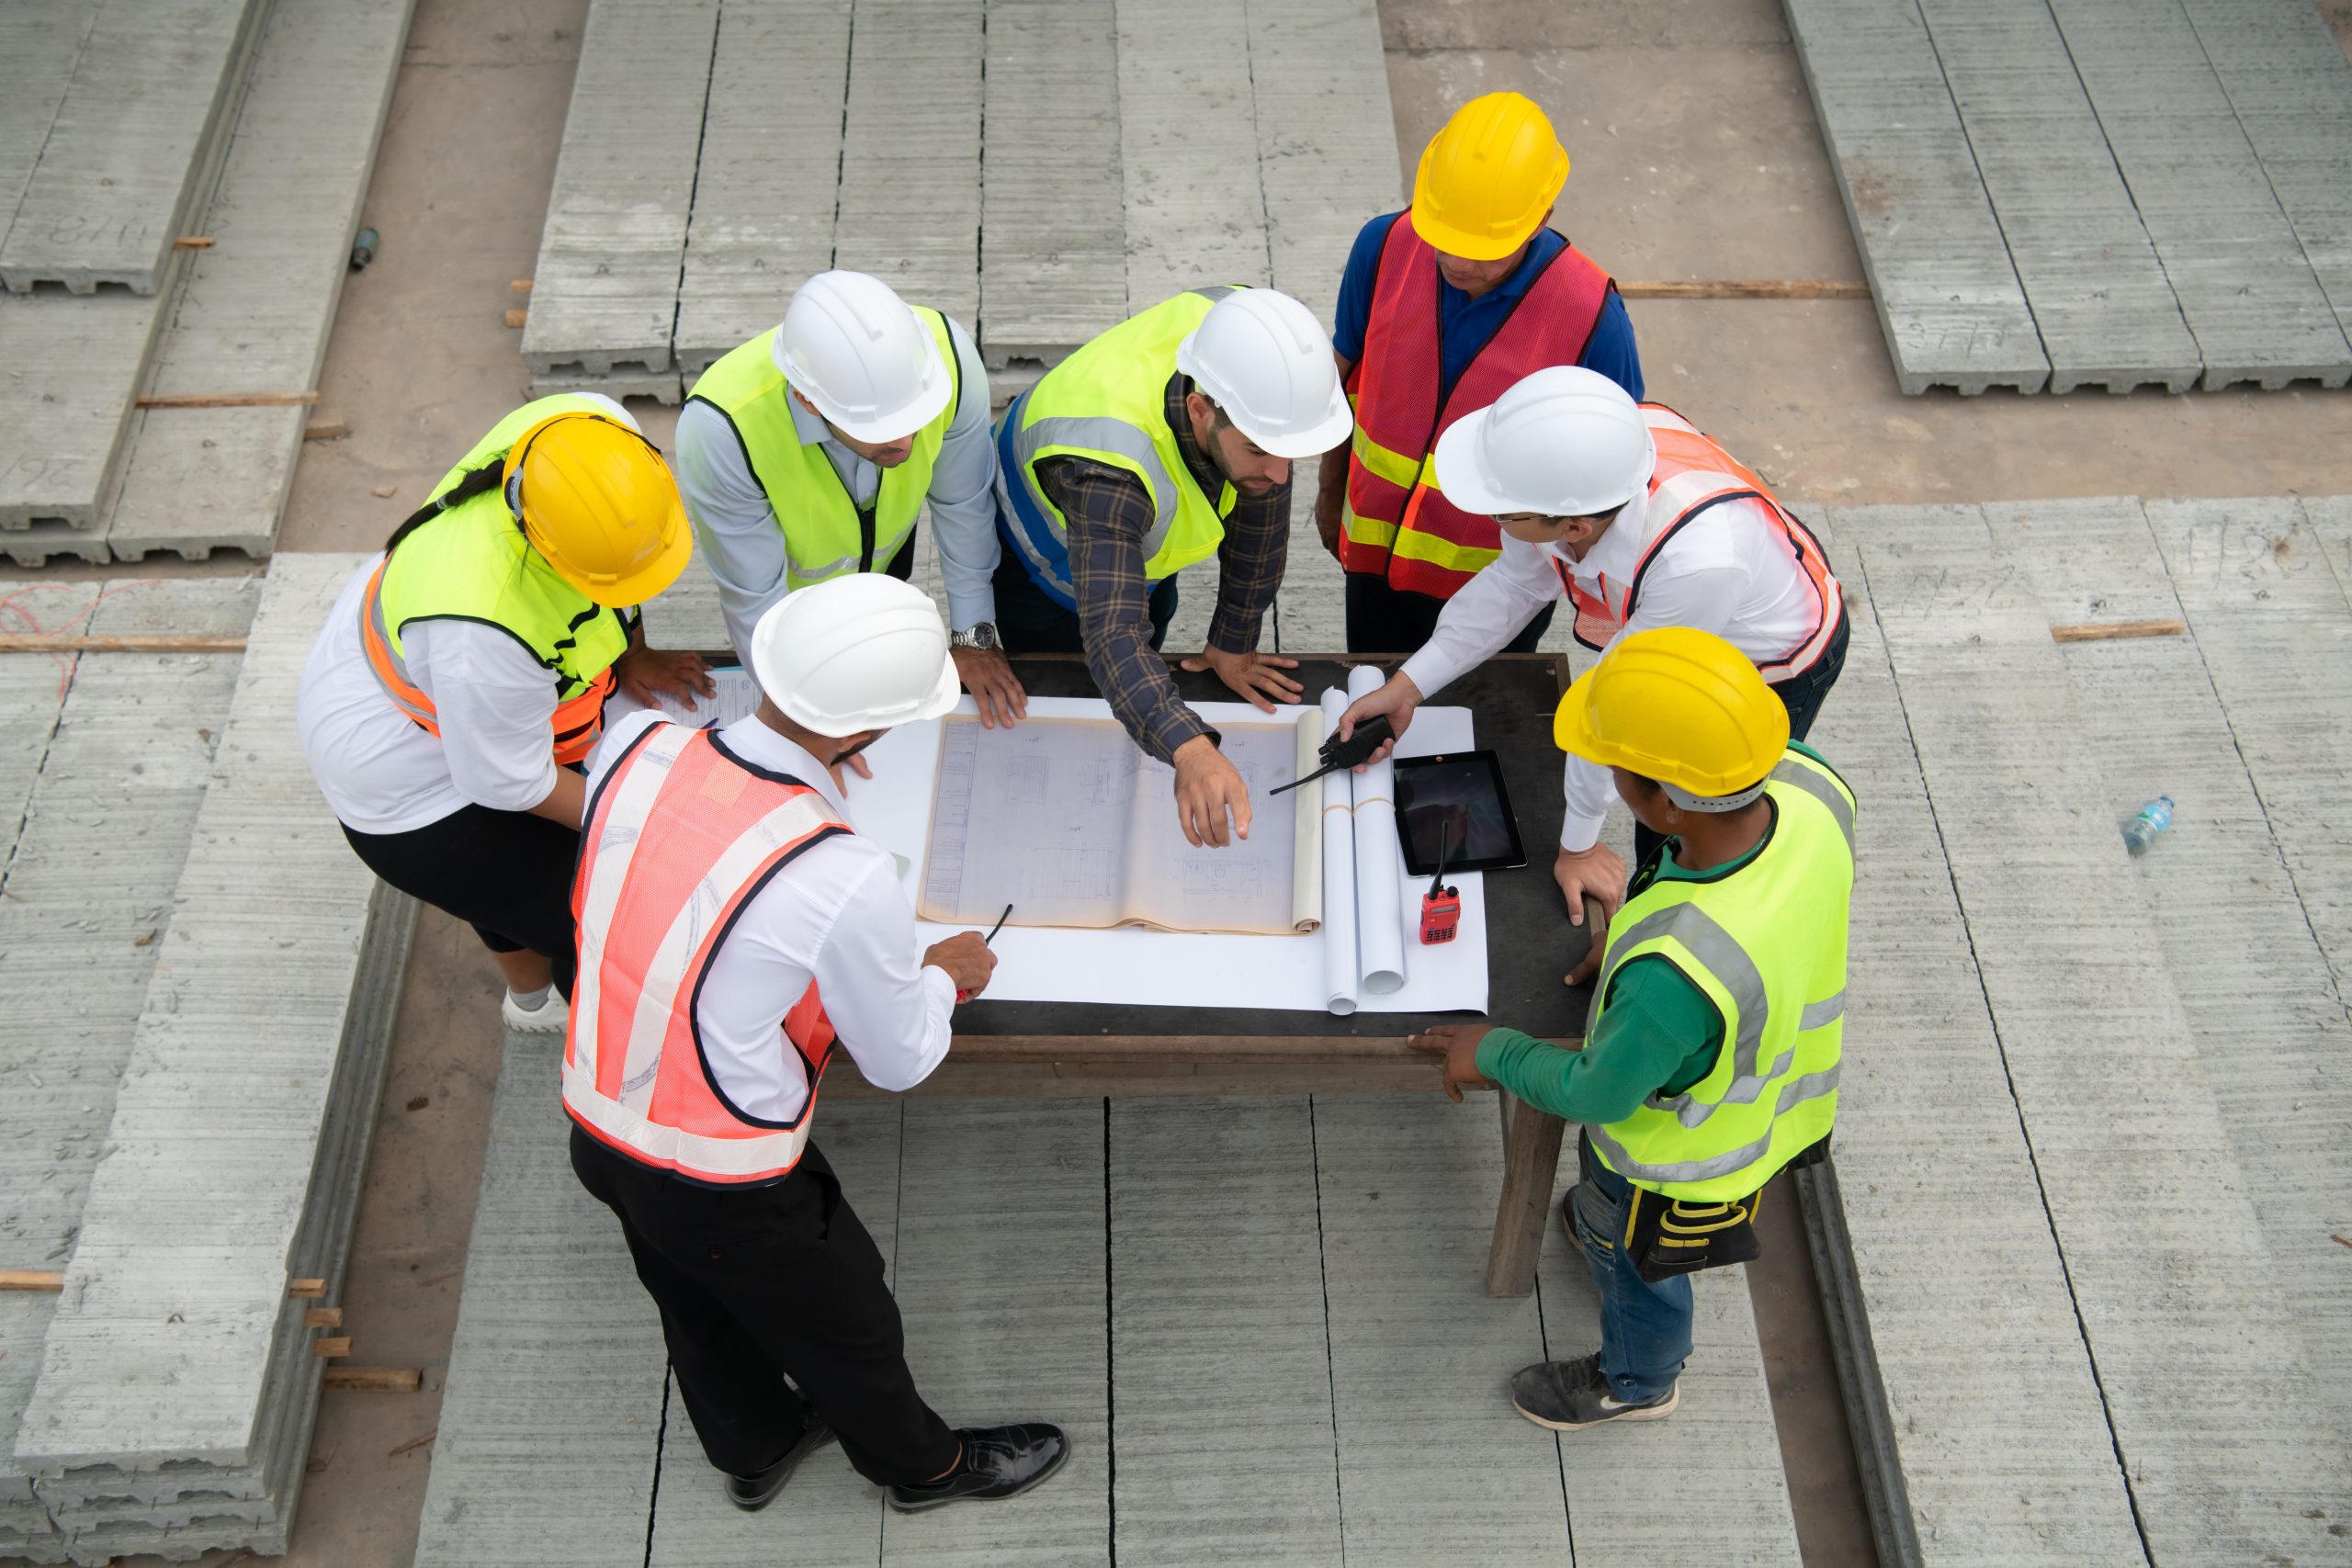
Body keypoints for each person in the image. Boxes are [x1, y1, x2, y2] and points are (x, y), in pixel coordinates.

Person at [566, 573, 1068, 1515]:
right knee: (850, 1328)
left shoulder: (634, 743)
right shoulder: (839, 872)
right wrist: (942, 976)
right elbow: (901, 1058)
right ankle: (924, 1472)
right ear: (860, 734)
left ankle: (753, 1449)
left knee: (695, 1309)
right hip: (724, 1177)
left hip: (598, 1120)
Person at [1410, 627, 1854, 1431]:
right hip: (1781, 1090)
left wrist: (1492, 1051)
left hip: (1674, 1157)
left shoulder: (1676, 974)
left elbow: (1600, 1090)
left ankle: (1638, 1380)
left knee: (1637, 1270)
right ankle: (1601, 1230)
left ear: (1669, 799)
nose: (1606, 774)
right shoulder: (1810, 786)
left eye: (1616, 766)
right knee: (1615, 1231)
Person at [1335, 367, 1846, 958]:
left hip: (1773, 665)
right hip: (1685, 628)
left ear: (1575, 526)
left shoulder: (1697, 561)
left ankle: (1666, 931)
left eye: (1504, 515)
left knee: (1691, 816)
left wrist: (1578, 845)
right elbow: (1513, 588)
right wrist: (1408, 686)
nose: (1495, 524)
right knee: (1655, 797)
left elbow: (1620, 713)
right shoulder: (1584, 467)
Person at [298, 395, 709, 1030]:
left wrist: (633, 653)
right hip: (412, 796)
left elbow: (612, 572)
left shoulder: (590, 437)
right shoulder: (480, 635)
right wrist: (658, 823)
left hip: (432, 701)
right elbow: (508, 783)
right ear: (545, 549)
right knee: (604, 925)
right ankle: (583, 1015)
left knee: (531, 877)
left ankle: (530, 1002)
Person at [993, 285, 1352, 849]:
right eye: (1261, 451)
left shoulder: (1252, 350)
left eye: (1291, 454)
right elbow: (1113, 634)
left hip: (1135, 530)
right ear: (1199, 409)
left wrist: (1234, 637)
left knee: (1151, 629)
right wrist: (1189, 748)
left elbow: (1260, 505)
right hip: (1042, 569)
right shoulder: (1109, 472)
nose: (1282, 476)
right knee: (1062, 700)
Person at [1316, 91, 1645, 656]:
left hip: (1498, 585)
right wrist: (1328, 498)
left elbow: (1616, 475)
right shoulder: (1383, 246)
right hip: (1373, 559)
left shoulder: (1594, 317)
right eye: (1446, 240)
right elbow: (1337, 385)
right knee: (1374, 681)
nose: (1458, 263)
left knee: (1480, 717)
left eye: (1484, 249)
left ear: (1542, 218)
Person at [676, 270, 1027, 728]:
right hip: (795, 608)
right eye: (878, 429)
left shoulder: (949, 362)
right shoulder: (722, 431)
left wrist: (973, 638)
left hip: (883, 562)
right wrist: (805, 729)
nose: (905, 443)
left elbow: (965, 506)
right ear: (806, 399)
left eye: (916, 418)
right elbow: (757, 603)